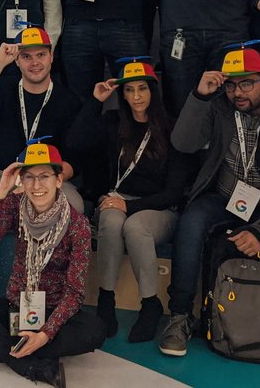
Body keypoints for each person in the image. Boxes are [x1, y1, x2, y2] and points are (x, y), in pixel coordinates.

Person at [159, 44, 260, 373]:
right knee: (191, 223)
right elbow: (183, 143)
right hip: (225, 198)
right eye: (231, 84)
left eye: (247, 83)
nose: (237, 92)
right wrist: (200, 97)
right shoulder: (217, 109)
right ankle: (180, 317)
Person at [0, 142, 106, 387]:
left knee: (95, 330)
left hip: (54, 313)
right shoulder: (14, 206)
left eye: (44, 176)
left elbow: (74, 294)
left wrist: (44, 335)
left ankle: (1, 349)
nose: (36, 185)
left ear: (58, 180)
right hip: (18, 308)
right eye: (29, 177)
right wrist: (1, 191)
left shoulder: (78, 225)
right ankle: (29, 364)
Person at [68, 58, 190, 342]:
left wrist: (129, 206)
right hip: (118, 200)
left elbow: (173, 191)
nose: (136, 97)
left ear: (153, 92)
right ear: (121, 94)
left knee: (134, 227)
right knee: (110, 219)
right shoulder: (113, 123)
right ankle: (106, 301)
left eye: (142, 89)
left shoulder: (172, 128)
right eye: (129, 90)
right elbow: (75, 141)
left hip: (159, 207)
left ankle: (150, 305)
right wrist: (95, 101)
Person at [0, 29, 85, 292]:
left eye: (41, 54)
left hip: (47, 179)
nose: (34, 62)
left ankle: (52, 284)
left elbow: (74, 162)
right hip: (2, 174)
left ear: (52, 57)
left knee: (74, 202)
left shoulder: (68, 99)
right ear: (17, 60)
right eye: (26, 56)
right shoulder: (5, 88)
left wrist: (38, 182)